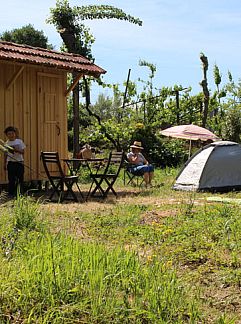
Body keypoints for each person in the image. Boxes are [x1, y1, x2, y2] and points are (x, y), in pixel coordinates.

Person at [3, 126, 26, 197]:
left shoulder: (19, 141)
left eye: (12, 133)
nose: (11, 135)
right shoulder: (6, 143)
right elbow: (5, 154)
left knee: (20, 179)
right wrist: (4, 163)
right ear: (7, 135)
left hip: (19, 162)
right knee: (11, 179)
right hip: (11, 163)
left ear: (15, 134)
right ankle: (11, 193)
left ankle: (20, 193)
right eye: (9, 134)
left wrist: (17, 150)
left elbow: (23, 152)